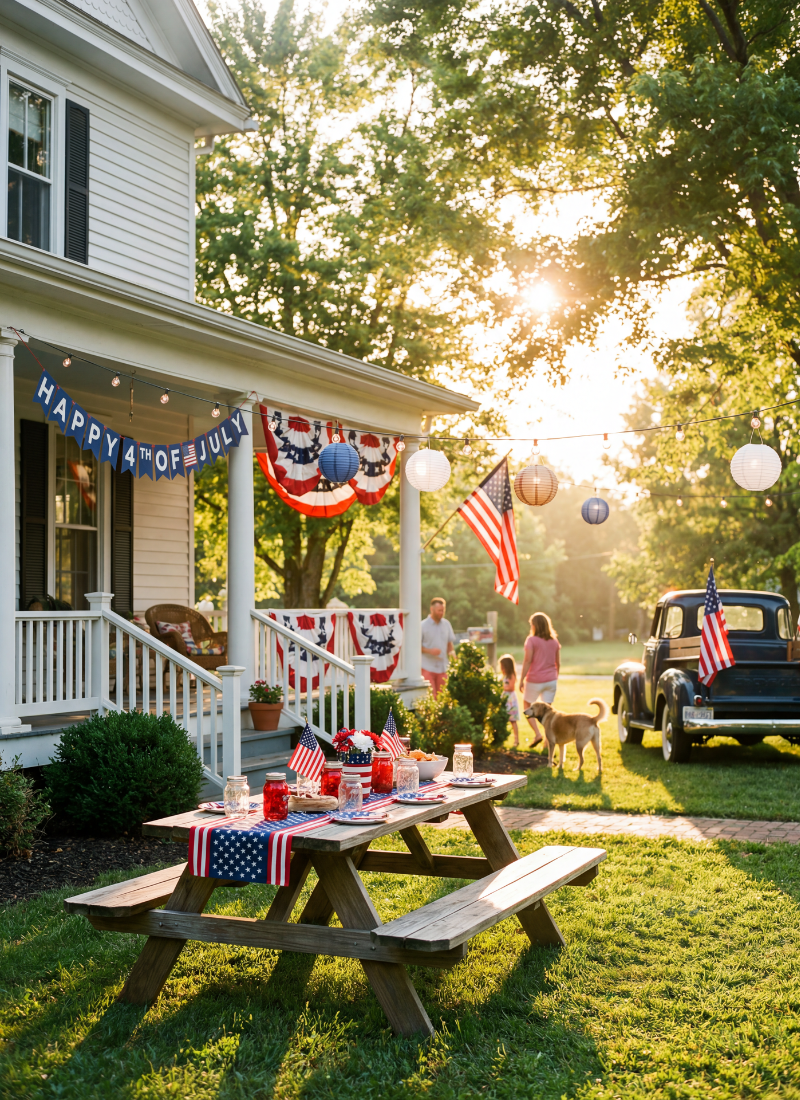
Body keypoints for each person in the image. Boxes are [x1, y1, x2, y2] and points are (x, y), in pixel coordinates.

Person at [520, 612, 561, 748]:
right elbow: (558, 663)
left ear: (535, 625)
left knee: (527, 706)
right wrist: (555, 677)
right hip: (551, 680)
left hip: (534, 679)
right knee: (547, 712)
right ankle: (547, 742)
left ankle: (538, 734)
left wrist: (521, 679)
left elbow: (527, 660)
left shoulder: (531, 640)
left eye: (531, 624)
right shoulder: (554, 641)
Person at [420, 597, 456, 697]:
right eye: (439, 610)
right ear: (432, 609)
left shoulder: (446, 624)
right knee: (431, 696)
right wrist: (430, 651)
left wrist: (454, 658)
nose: (441, 612)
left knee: (443, 697)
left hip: (443, 667)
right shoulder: (422, 625)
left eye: (443, 610)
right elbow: (416, 647)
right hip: (427, 667)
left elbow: (449, 644)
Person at [498, 654, 520, 747]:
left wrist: (501, 687)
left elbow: (511, 687)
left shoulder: (511, 675)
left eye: (503, 666)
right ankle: (501, 740)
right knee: (502, 720)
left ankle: (516, 740)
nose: (501, 668)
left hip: (510, 701)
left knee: (513, 721)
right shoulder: (503, 676)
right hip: (504, 700)